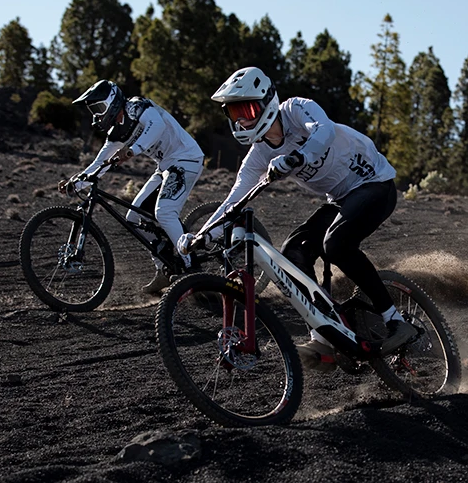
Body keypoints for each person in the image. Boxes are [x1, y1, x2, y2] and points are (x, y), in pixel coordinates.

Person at [178, 66, 415, 372]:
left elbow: (324, 129)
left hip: (375, 183)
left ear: (267, 101)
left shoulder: (295, 109)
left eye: (247, 109)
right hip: (341, 198)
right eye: (234, 113)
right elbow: (235, 197)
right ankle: (324, 335)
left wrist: (300, 155)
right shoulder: (259, 156)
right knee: (294, 253)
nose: (241, 119)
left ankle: (395, 321)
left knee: (337, 244)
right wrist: (205, 234)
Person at [61, 79, 204, 294]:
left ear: (112, 102)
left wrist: (132, 150)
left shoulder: (136, 106)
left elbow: (157, 125)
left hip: (187, 159)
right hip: (165, 166)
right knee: (134, 218)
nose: (97, 115)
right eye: (93, 111)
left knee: (164, 212)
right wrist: (77, 182)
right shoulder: (117, 133)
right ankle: (164, 268)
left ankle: (193, 268)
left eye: (98, 108)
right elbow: (99, 163)